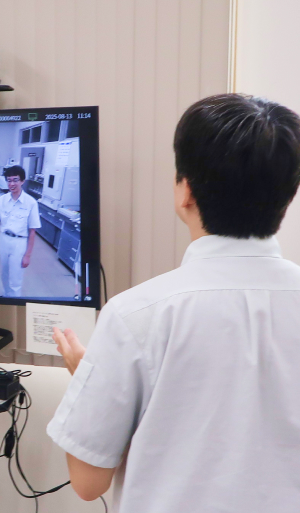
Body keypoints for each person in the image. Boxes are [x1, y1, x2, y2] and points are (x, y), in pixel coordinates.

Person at [47, 94, 300, 513]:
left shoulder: (135, 315)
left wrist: (88, 379)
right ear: (288, 197)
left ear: (186, 192)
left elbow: (89, 483)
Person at [0, 165, 40, 296]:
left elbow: (32, 231)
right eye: (9, 180)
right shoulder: (3, 199)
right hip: (4, 240)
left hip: (19, 243)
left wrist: (27, 255)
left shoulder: (31, 203)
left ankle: (14, 302)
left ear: (22, 181)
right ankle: (7, 297)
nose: (11, 184)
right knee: (4, 274)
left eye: (15, 180)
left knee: (15, 279)